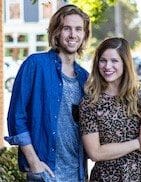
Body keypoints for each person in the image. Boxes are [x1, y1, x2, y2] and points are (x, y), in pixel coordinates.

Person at [5, 4, 90, 182]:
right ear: (57, 32)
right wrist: (33, 161)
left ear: (84, 35)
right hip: (45, 172)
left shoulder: (85, 78)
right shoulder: (35, 64)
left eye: (78, 29)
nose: (73, 34)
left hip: (77, 173)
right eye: (67, 28)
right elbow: (16, 116)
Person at [79, 37, 141, 182]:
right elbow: (95, 153)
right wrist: (137, 143)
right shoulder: (89, 103)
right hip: (106, 177)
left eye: (114, 61)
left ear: (125, 63)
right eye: (103, 60)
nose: (107, 66)